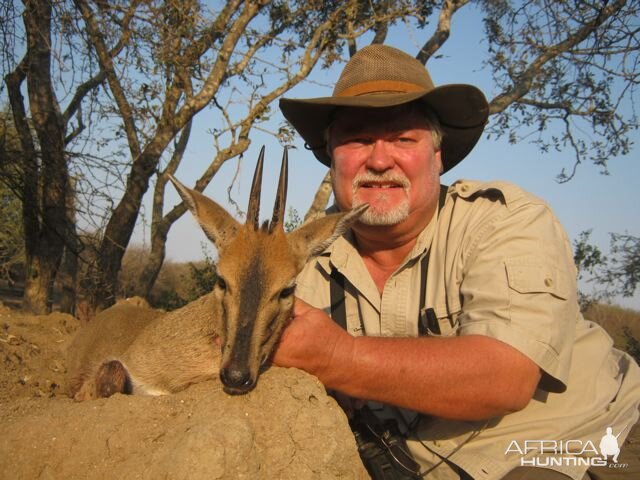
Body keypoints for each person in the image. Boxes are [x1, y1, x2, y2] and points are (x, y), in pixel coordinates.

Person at [274, 44, 640, 480]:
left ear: (437, 155)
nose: (378, 159)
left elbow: (506, 378)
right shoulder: (307, 259)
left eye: (403, 138)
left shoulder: (505, 220)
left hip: (563, 441)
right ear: (331, 156)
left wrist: (338, 358)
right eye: (356, 138)